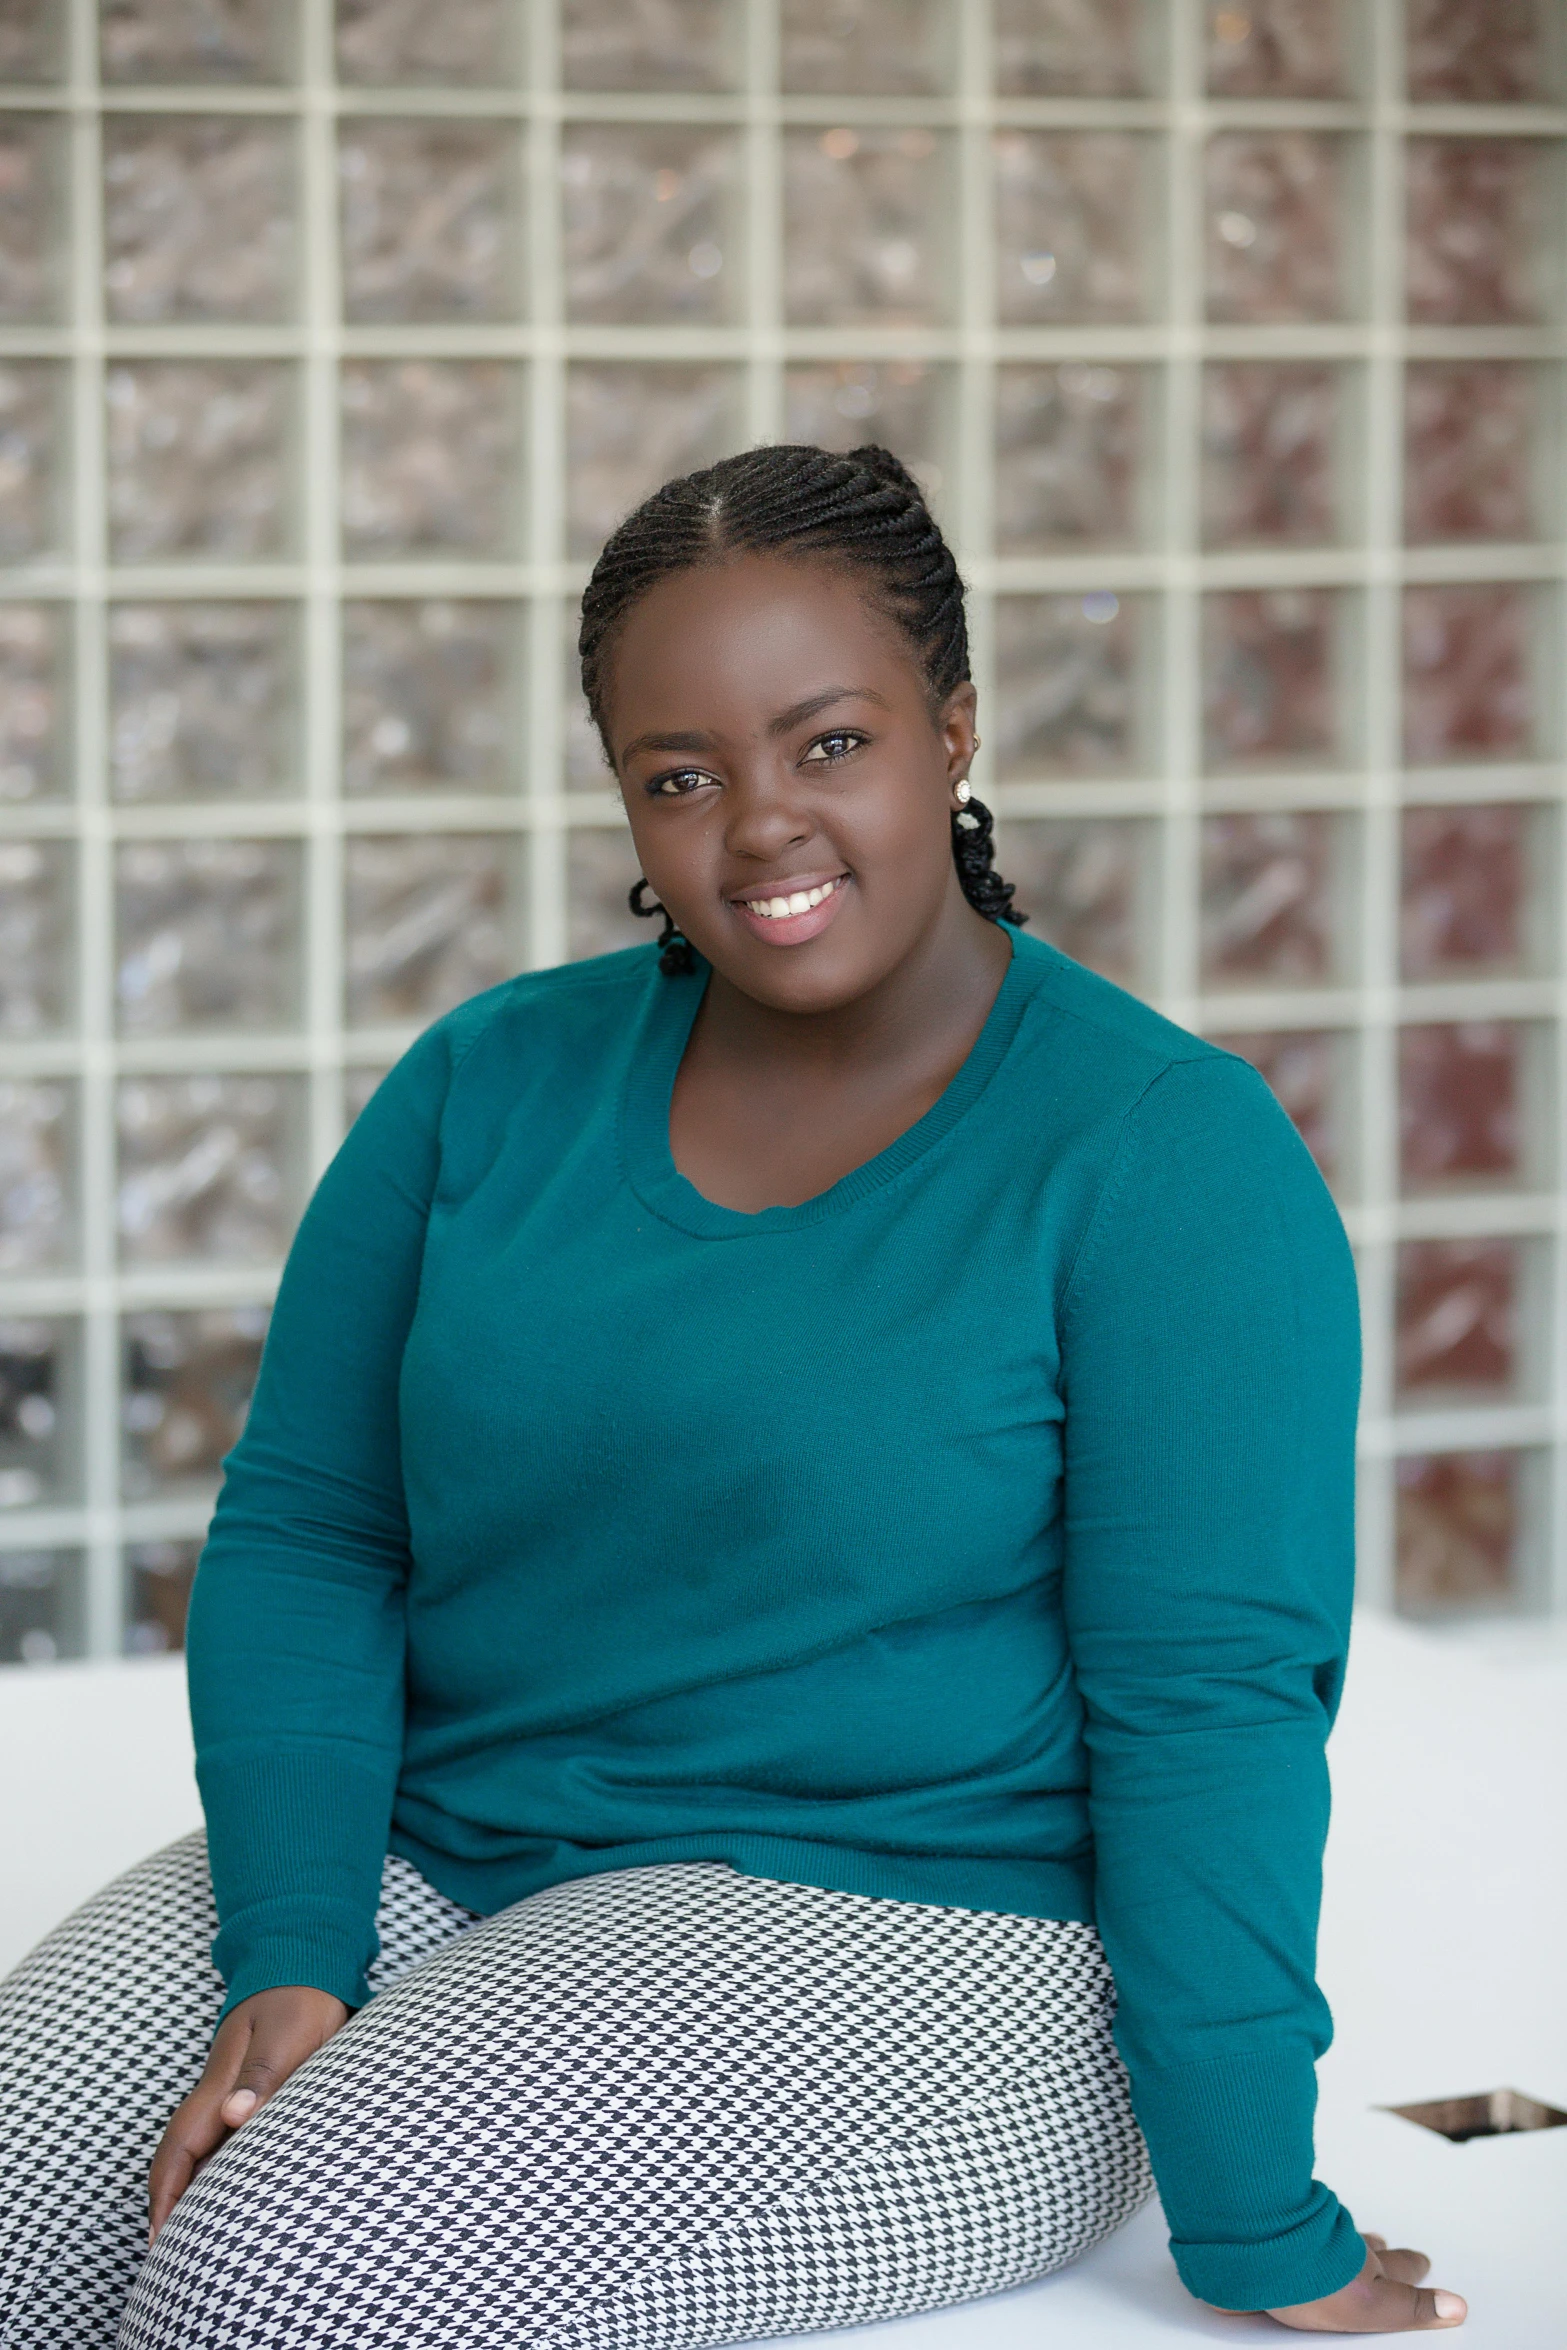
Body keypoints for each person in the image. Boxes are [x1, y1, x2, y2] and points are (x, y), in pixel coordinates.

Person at [0, 445, 1465, 2348]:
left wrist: (1254, 2210)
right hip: (448, 1839)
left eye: (828, 742)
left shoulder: (1161, 1156)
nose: (760, 827)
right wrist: (296, 1943)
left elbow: (1209, 1709)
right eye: (680, 774)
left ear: (951, 726)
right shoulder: (486, 1083)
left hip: (924, 1931)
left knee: (280, 2278)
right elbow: (314, 1526)